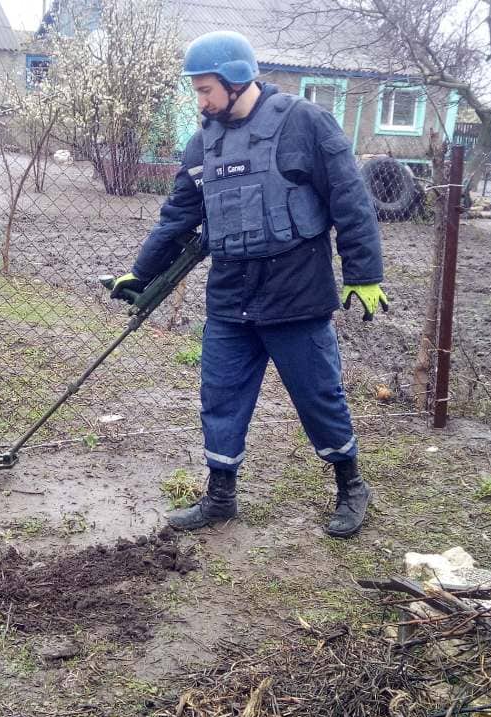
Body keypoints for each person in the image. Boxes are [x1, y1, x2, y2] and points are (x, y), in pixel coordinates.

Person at [108, 30, 388, 538]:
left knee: (318, 396)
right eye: (196, 91)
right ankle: (220, 497)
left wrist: (364, 275)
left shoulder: (304, 122)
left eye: (205, 89)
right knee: (220, 397)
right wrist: (141, 272)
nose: (200, 101)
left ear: (236, 79)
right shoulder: (204, 142)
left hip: (296, 295)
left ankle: (351, 486)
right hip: (230, 297)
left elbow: (350, 200)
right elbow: (179, 215)